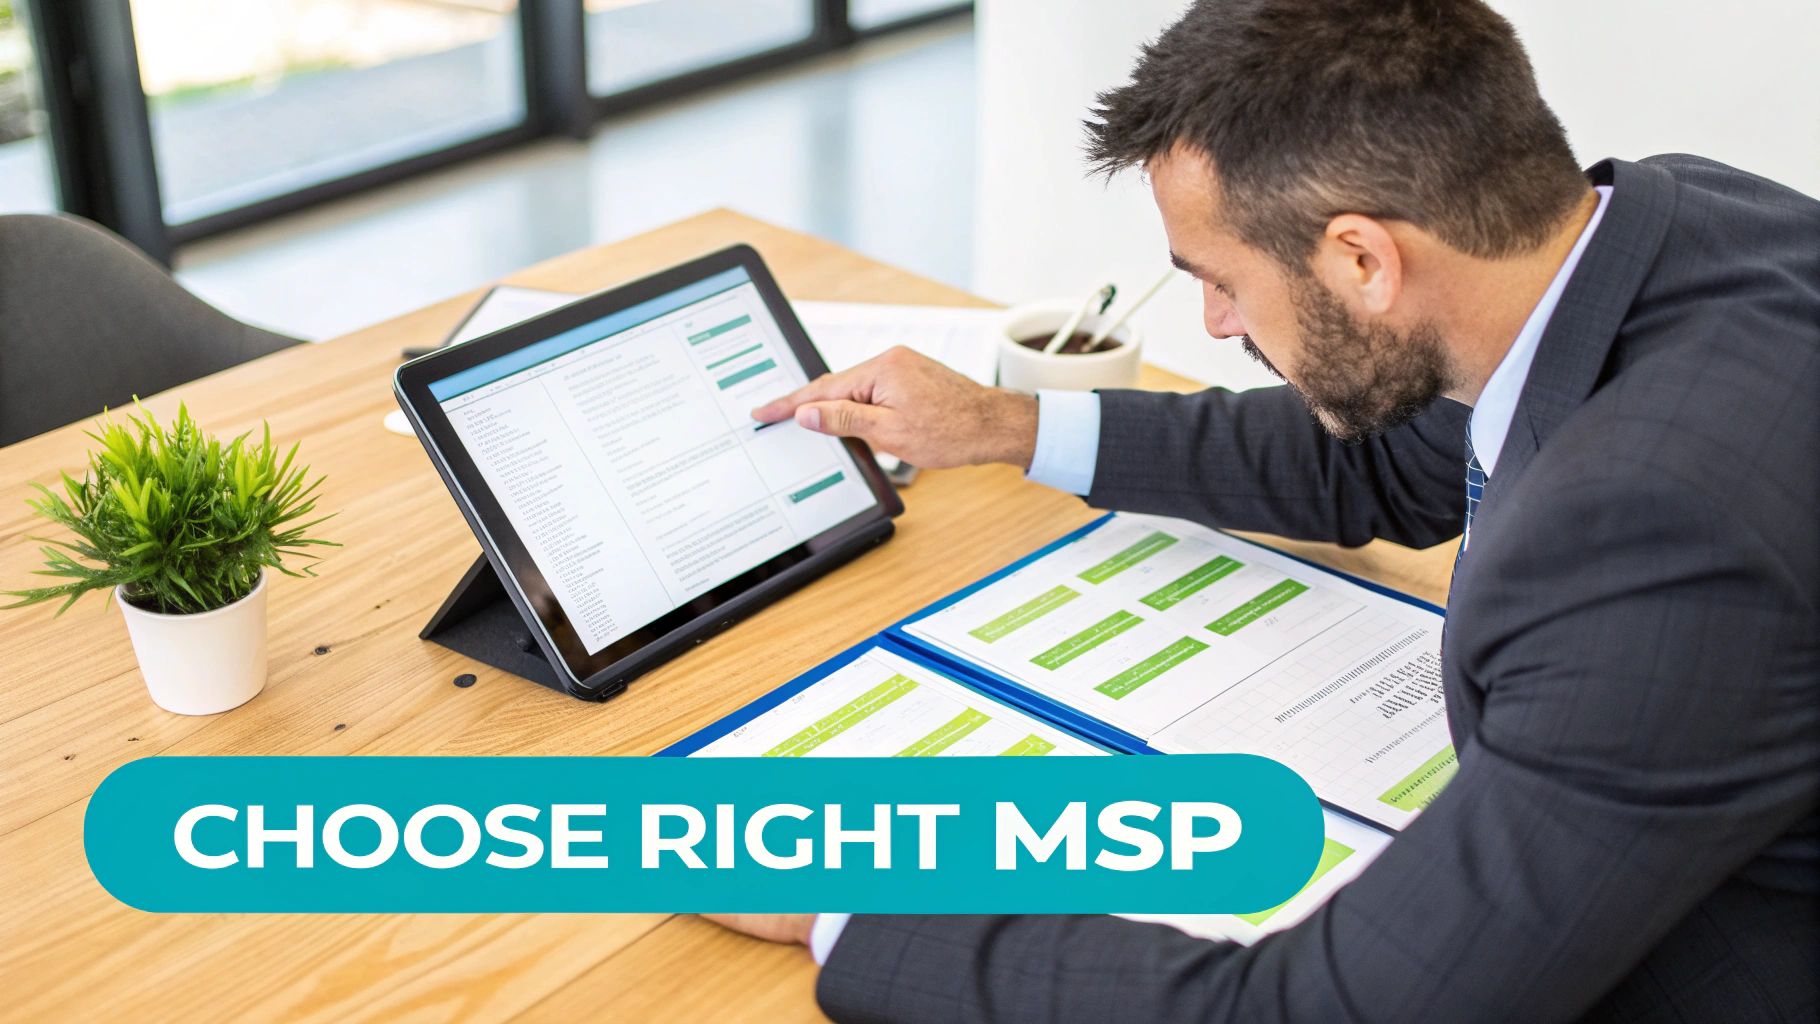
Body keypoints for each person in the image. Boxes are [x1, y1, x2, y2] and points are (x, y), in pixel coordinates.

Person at [703, 1, 1820, 1019]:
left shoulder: (1659, 537)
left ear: (1360, 257)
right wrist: (1004, 426)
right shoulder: (1659, 231)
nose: (1216, 323)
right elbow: (1378, 463)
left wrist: (848, 906)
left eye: (1222, 280)